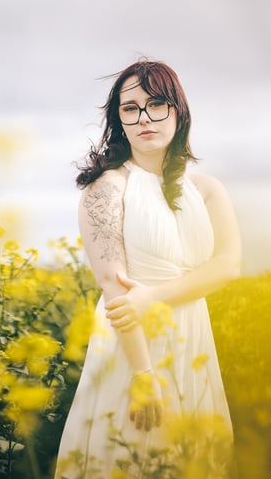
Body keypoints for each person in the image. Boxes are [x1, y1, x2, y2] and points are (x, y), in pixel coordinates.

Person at [54, 59, 241, 479]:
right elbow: (114, 287)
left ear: (178, 111)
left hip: (193, 340)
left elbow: (229, 266)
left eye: (156, 104)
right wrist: (142, 375)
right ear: (119, 120)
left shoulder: (207, 190)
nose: (143, 118)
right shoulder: (107, 187)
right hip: (132, 346)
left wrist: (154, 296)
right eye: (130, 108)